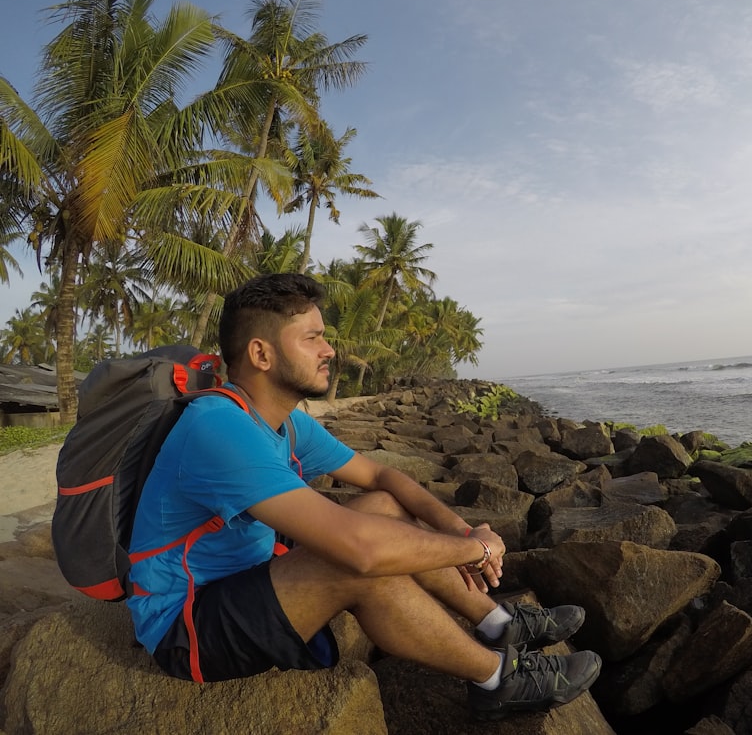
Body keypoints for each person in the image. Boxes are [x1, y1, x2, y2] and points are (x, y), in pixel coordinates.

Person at [126, 272, 602, 720]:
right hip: (187, 625)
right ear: (261, 354)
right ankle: (498, 680)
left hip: (246, 577)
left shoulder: (285, 422)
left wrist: (460, 530)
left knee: (384, 511)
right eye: (311, 337)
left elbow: (382, 478)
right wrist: (475, 549)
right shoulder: (218, 426)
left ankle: (498, 623)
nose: (329, 349)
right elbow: (363, 549)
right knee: (359, 561)